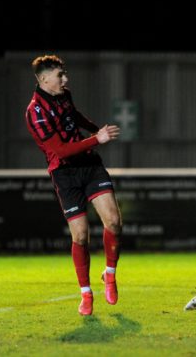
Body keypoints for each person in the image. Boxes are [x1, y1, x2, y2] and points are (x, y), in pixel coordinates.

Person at [25, 55, 122, 316]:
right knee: (80, 236)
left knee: (113, 221)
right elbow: (60, 150)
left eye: (64, 73)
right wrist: (96, 139)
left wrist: (94, 129)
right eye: (60, 75)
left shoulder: (64, 95)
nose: (65, 79)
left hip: (89, 166)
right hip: (65, 174)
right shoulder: (35, 112)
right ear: (44, 79)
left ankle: (110, 276)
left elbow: (74, 115)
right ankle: (86, 294)